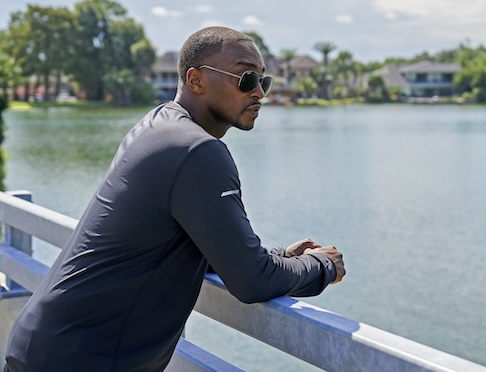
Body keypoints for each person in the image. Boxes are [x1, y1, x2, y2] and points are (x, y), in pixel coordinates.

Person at [4, 26, 345, 372]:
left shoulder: (159, 125)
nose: (259, 92)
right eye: (245, 78)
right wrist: (322, 265)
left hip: (51, 348)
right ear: (196, 80)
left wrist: (281, 256)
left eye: (263, 81)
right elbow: (252, 281)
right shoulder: (199, 151)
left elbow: (195, 244)